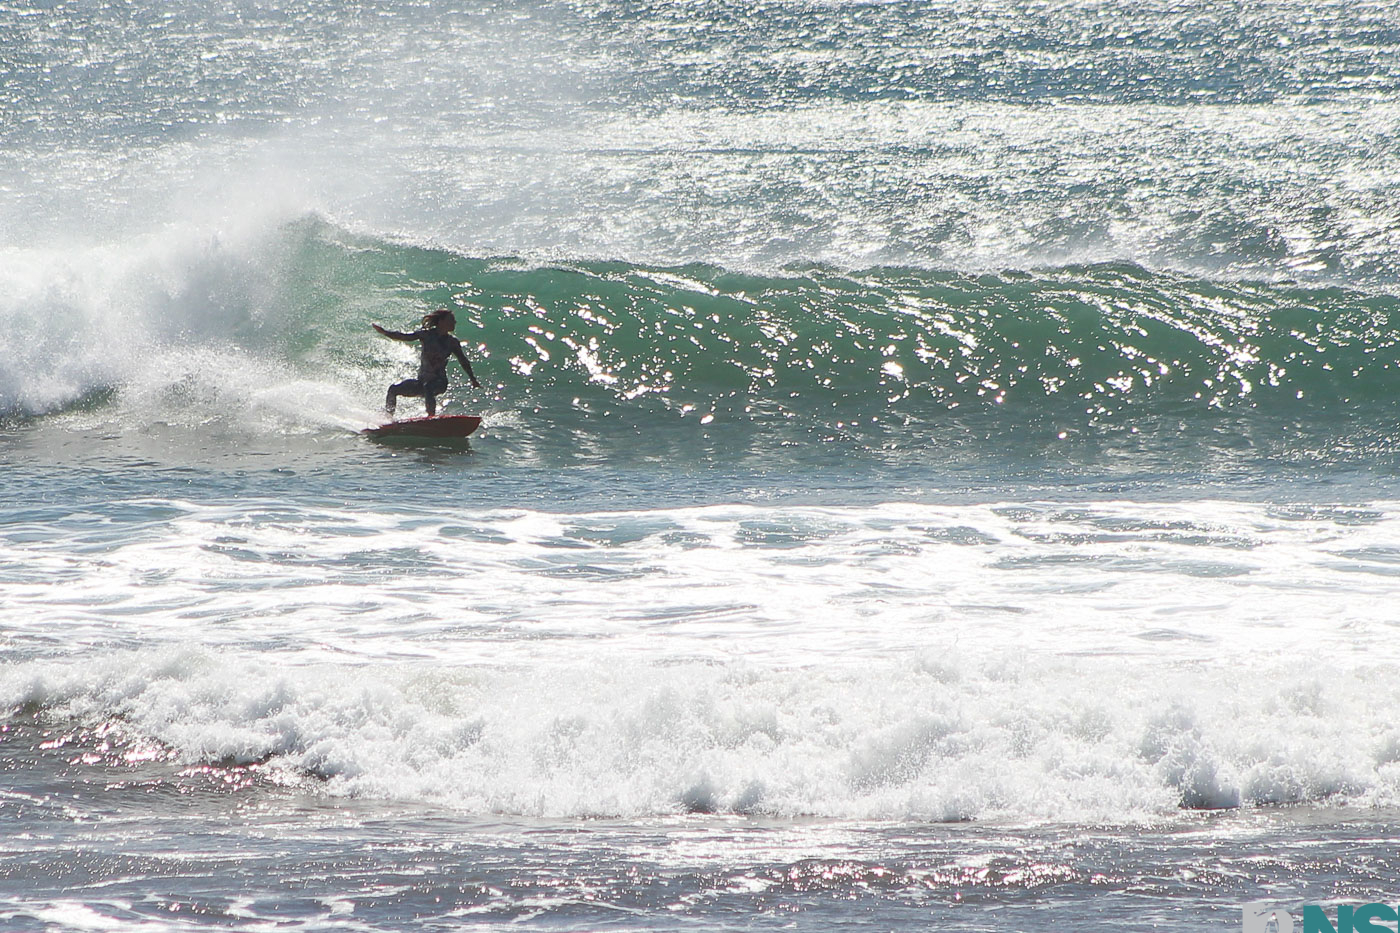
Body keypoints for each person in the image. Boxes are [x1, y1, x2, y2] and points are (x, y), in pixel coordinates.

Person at [372, 308, 482, 417]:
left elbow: (463, 361)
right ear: (441, 322)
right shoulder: (426, 335)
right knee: (393, 389)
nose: (454, 322)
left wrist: (473, 379)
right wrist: (385, 332)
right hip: (421, 382)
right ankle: (388, 418)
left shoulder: (452, 342)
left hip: (439, 383)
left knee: (428, 386)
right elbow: (404, 336)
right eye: (451, 320)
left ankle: (431, 417)